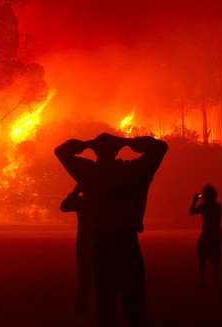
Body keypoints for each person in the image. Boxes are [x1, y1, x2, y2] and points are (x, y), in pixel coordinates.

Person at [55, 133, 168, 327]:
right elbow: (160, 147)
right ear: (117, 150)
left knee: (105, 306)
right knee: (134, 306)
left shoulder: (89, 174)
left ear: (97, 151)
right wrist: (126, 142)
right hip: (128, 244)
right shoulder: (135, 172)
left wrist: (88, 143)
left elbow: (61, 151)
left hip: (102, 246)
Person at [61, 184, 92, 313]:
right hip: (101, 241)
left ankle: (81, 306)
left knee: (85, 275)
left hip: (85, 242)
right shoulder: (101, 199)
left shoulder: (82, 202)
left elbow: (64, 207)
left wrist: (74, 192)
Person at [189, 184, 222, 289]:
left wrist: (194, 200)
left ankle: (202, 280)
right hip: (217, 234)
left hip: (207, 234)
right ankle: (217, 284)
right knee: (215, 261)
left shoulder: (204, 206)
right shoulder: (218, 206)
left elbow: (192, 212)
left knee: (201, 258)